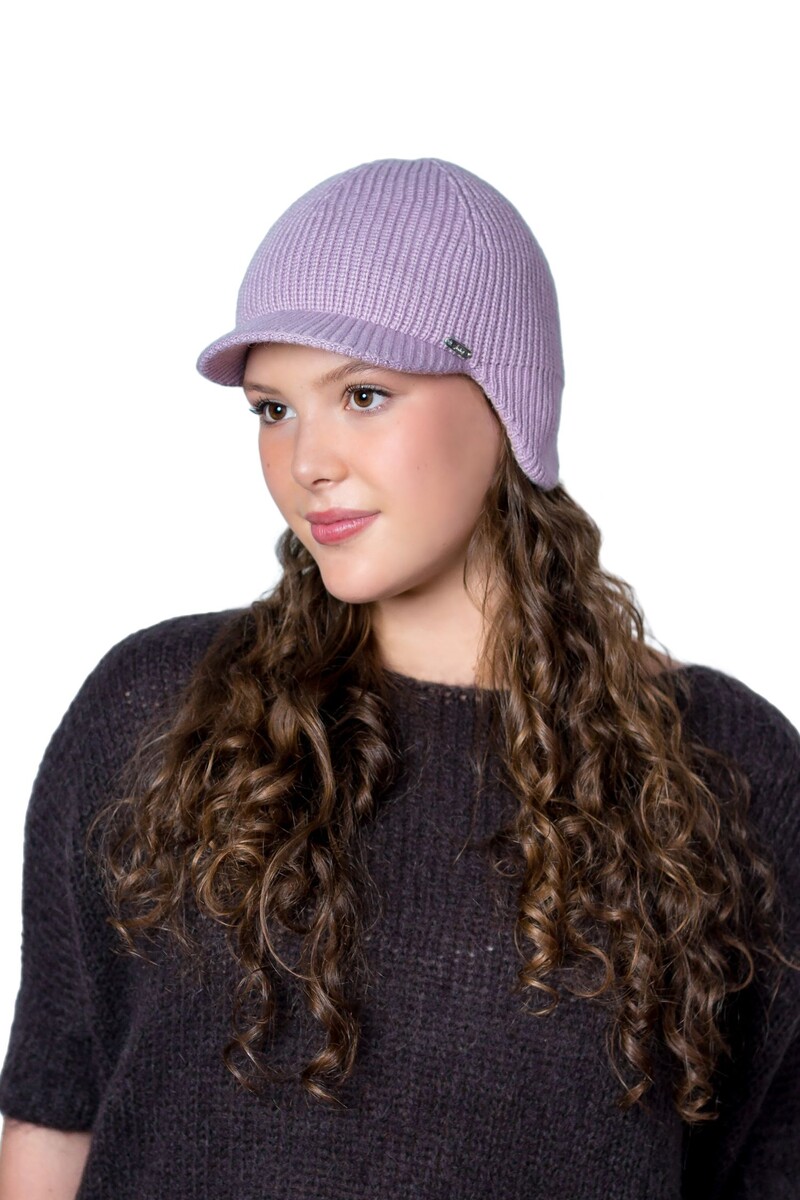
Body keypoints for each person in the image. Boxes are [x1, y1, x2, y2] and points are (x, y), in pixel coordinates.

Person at [0, 157, 797, 1200]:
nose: (307, 462)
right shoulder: (156, 709)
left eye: (363, 395)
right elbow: (53, 1120)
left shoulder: (724, 769)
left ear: (505, 400)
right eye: (272, 410)